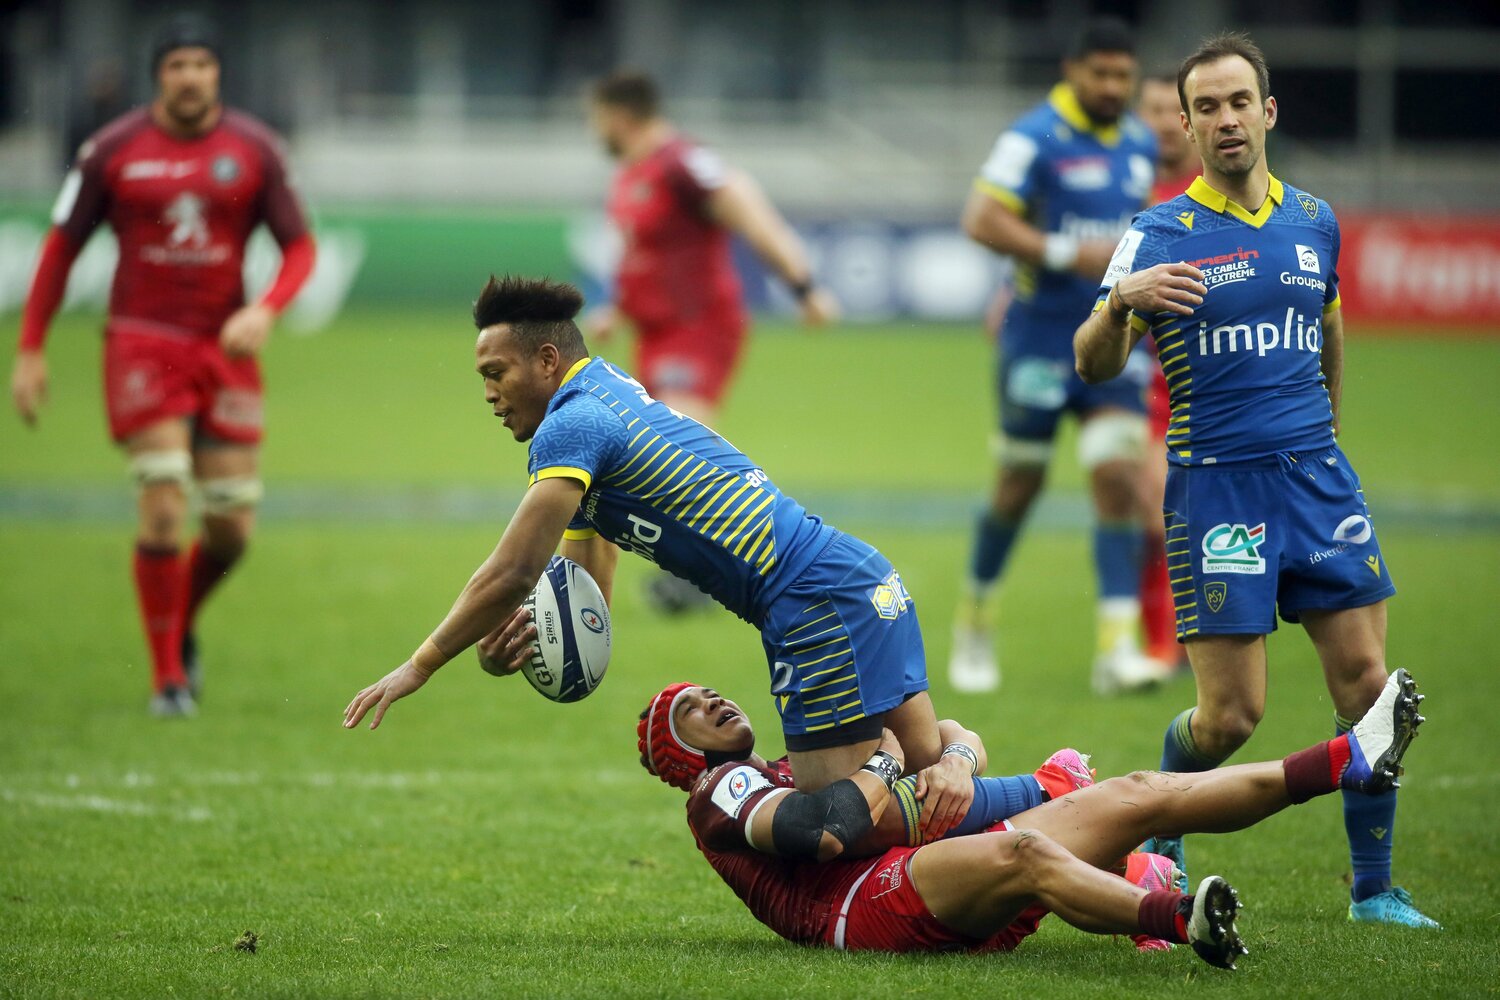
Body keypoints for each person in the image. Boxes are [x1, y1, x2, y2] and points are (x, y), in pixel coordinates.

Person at [1073, 32, 1437, 928]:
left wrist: (1330, 432)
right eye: (1207, 107)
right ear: (1188, 128)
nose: (1226, 119)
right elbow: (1091, 361)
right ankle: (1157, 831)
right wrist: (1122, 302)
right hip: (1220, 495)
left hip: (1317, 485)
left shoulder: (1314, 219)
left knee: (1366, 683)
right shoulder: (1156, 233)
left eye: (1240, 101)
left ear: (1267, 111)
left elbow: (1330, 327)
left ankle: (1374, 889)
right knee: (1230, 719)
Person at [343, 276, 941, 798]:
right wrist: (515, 648)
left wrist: (421, 665)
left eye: (496, 373)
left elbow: (513, 574)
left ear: (547, 360)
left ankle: (996, 798)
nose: (489, 394)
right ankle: (984, 777)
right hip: (852, 576)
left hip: (810, 602)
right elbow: (583, 597)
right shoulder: (605, 389)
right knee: (932, 776)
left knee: (830, 812)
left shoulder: (570, 424)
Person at [637, 669, 1422, 963]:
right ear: (683, 756)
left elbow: (946, 736)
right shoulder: (717, 795)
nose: (711, 699)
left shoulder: (784, 763)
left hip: (914, 869)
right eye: (690, 712)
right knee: (1027, 861)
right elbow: (824, 832)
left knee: (1138, 792)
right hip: (856, 906)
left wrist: (956, 762)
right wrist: (886, 766)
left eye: (705, 691)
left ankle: (1348, 760)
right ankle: (1183, 918)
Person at [8, 16, 316, 717]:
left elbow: (300, 249)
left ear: (217, 74)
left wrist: (266, 308)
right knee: (164, 502)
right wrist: (30, 348)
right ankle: (168, 680)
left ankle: (177, 624)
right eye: (177, 64)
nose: (189, 76)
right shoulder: (110, 152)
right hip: (142, 343)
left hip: (225, 348)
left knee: (232, 529)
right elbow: (60, 251)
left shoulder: (255, 149)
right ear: (159, 75)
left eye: (201, 63)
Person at [951, 17, 1162, 696]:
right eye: (1100, 73)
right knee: (1020, 483)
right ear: (1072, 70)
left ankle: (1116, 647)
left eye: (1122, 76)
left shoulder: (1137, 142)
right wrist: (1063, 253)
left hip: (1112, 336)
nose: (1111, 86)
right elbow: (981, 219)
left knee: (1117, 479)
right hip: (1039, 339)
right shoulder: (1032, 138)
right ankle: (975, 622)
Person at [586, 71, 839, 614]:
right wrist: (617, 307)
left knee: (678, 454)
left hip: (699, 328)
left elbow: (747, 208)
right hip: (654, 337)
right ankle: (694, 574)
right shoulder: (632, 175)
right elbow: (646, 255)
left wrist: (803, 286)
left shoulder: (682, 162)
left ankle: (744, 566)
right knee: (648, 459)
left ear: (618, 115)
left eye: (595, 117)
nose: (594, 130)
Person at [1135, 71, 1202, 670]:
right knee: (1141, 505)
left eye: (1169, 109)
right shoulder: (1127, 188)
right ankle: (1154, 638)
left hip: (1192, 376)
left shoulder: (1205, 193)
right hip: (1136, 377)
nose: (1158, 121)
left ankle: (1176, 639)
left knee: (1169, 507)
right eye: (1149, 109)